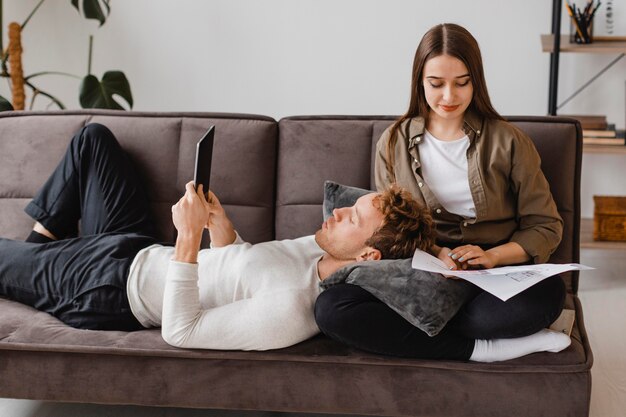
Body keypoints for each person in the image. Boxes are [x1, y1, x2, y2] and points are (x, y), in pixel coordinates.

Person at [0, 123, 436, 351]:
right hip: (136, 245)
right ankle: (38, 256)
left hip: (108, 287)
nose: (337, 211)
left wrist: (188, 237)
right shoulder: (321, 248)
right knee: (93, 140)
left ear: (369, 255)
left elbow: (181, 331)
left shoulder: (292, 311)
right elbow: (239, 270)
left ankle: (35, 264)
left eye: (352, 218)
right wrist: (219, 226)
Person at [315, 23, 570, 361]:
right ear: (420, 82)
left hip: (493, 272)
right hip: (419, 271)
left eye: (461, 83)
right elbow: (386, 229)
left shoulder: (509, 142)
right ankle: (479, 349)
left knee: (547, 294)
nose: (449, 97)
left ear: (475, 81)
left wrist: (492, 256)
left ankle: (428, 330)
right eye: (436, 84)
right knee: (333, 308)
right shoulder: (393, 142)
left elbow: (545, 225)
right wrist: (437, 251)